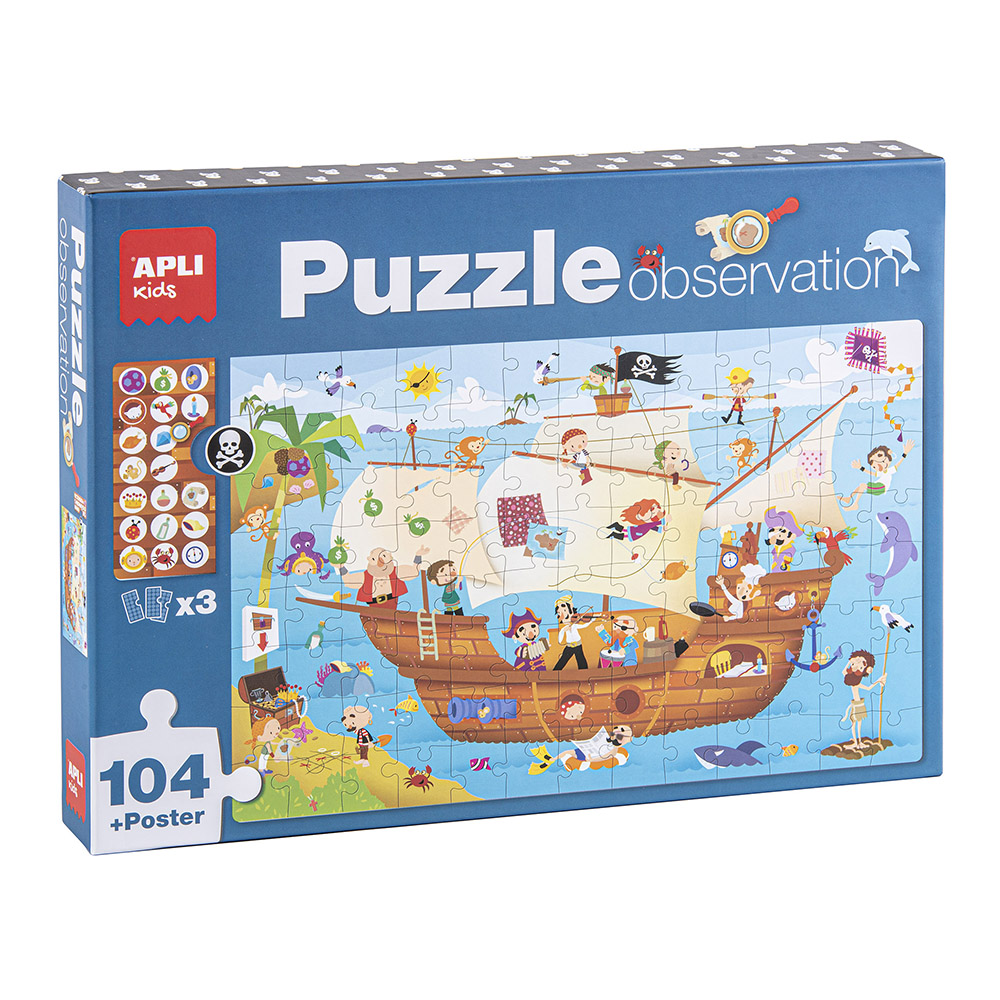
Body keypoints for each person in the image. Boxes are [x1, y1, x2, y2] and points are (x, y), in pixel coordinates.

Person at [338, 545, 430, 608]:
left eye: (384, 556)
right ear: (369, 560)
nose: (380, 561)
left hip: (392, 604)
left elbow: (414, 572)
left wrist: (418, 556)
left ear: (390, 557)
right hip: (373, 606)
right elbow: (348, 581)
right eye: (374, 558)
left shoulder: (396, 572)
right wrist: (341, 567)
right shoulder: (365, 576)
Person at [839, 440, 915, 511]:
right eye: (874, 466)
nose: (878, 466)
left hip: (881, 488)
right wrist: (860, 467)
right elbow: (871, 473)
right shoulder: (881, 472)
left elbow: (898, 464)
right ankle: (849, 498)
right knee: (861, 486)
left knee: (862, 486)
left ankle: (855, 504)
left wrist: (905, 453)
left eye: (881, 461)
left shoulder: (889, 471)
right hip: (878, 486)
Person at [841, 650, 886, 750]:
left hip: (859, 705)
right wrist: (850, 661)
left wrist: (879, 680)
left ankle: (859, 742)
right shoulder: (853, 681)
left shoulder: (857, 683)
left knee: (857, 724)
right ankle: (856, 742)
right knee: (854, 724)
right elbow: (844, 672)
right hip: (856, 705)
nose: (855, 667)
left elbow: (869, 688)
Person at [553, 594, 590, 670]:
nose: (562, 616)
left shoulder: (575, 625)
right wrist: (564, 630)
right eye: (559, 613)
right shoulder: (565, 628)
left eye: (565, 611)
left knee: (581, 661)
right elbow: (560, 639)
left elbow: (584, 625)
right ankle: (555, 672)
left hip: (578, 644)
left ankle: (585, 673)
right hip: (569, 646)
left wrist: (592, 620)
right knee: (562, 661)